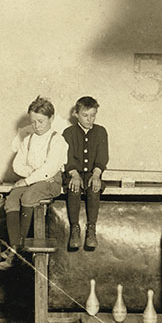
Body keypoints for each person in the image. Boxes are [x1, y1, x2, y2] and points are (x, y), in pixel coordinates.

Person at [0, 96, 68, 270]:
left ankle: (17, 251)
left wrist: (30, 178)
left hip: (50, 181)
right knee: (12, 198)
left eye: (41, 121)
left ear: (51, 119)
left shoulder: (57, 140)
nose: (36, 126)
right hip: (34, 180)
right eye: (33, 121)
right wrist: (31, 175)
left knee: (28, 196)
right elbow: (17, 165)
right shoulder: (28, 140)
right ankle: (15, 246)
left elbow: (50, 168)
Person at [62, 96, 109, 251]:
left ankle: (91, 229)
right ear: (76, 114)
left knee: (94, 187)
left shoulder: (101, 132)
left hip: (92, 173)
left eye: (93, 115)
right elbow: (67, 158)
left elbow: (102, 157)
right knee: (74, 188)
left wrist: (97, 174)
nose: (90, 119)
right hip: (73, 173)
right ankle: (74, 229)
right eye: (85, 115)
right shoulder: (68, 133)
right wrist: (74, 175)